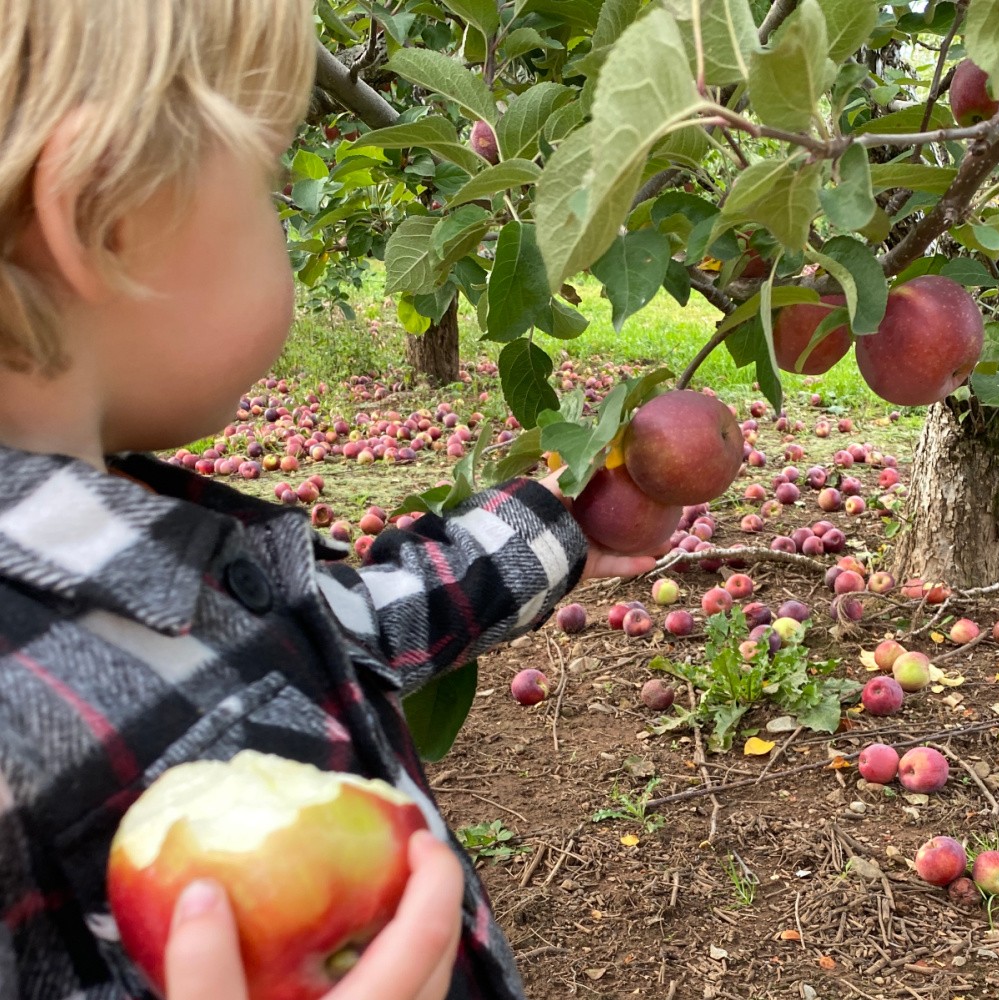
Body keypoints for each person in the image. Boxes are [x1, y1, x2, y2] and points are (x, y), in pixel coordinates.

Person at [0, 3, 656, 998]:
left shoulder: (149, 539)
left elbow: (346, 621)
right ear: (108, 213)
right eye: (268, 180)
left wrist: (551, 526)